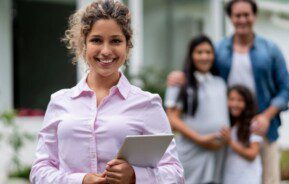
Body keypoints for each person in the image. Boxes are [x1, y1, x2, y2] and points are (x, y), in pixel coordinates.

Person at [30, 1, 184, 183]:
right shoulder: (59, 101)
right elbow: (39, 171)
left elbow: (175, 173)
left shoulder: (147, 104)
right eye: (96, 40)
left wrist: (135, 176)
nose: (105, 50)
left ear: (127, 46)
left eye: (116, 41)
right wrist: (81, 180)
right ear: (83, 44)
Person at [167, 1, 289, 183]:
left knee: (268, 179)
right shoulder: (220, 50)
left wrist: (266, 116)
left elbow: (285, 89)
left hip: (263, 129)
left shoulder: (270, 49)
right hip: (229, 134)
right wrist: (179, 75)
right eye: (237, 15)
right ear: (231, 18)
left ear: (254, 16)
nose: (242, 20)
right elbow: (200, 71)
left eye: (246, 15)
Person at [165, 35, 230, 184]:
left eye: (208, 52)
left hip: (218, 152)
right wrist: (200, 139)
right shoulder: (180, 81)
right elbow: (172, 118)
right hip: (192, 152)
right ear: (191, 55)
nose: (204, 56)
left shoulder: (220, 83)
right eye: (199, 52)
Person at [221, 85, 262, 184]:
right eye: (231, 99)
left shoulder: (254, 124)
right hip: (229, 177)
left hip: (248, 178)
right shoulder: (227, 124)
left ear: (247, 103)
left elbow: (252, 154)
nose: (235, 104)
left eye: (240, 100)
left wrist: (230, 142)